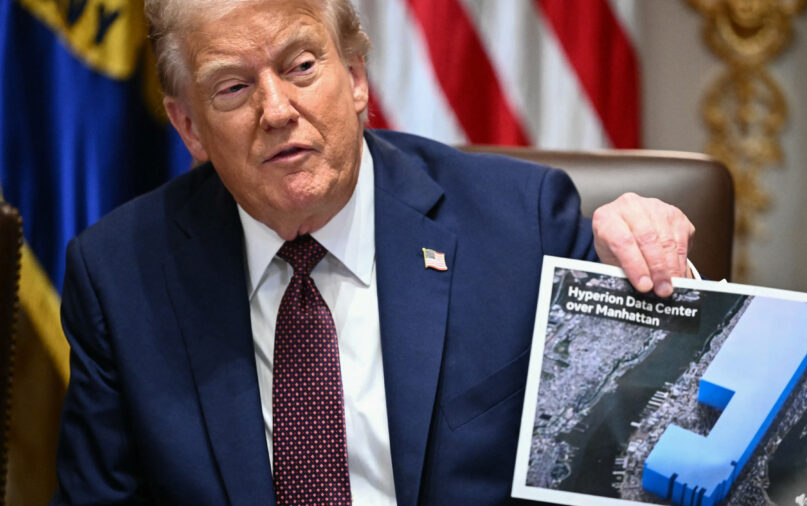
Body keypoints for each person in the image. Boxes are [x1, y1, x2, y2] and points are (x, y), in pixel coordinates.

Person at [52, 0, 696, 504]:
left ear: (356, 78)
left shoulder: (519, 224)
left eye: (302, 66)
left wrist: (656, 268)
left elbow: (646, 444)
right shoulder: (119, 276)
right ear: (189, 127)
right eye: (232, 88)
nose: (277, 110)